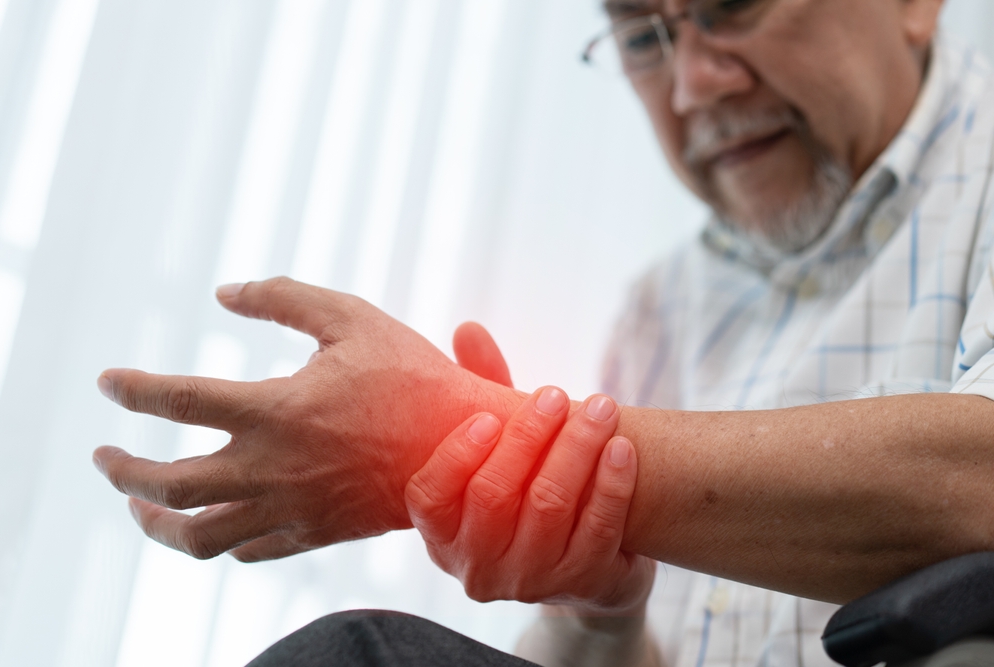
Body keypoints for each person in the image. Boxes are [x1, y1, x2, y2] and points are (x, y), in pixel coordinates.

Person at [92, 0, 994, 664]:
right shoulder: (662, 307)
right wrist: (595, 599)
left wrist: (460, 424)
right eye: (644, 37)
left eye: (732, 7)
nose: (691, 85)